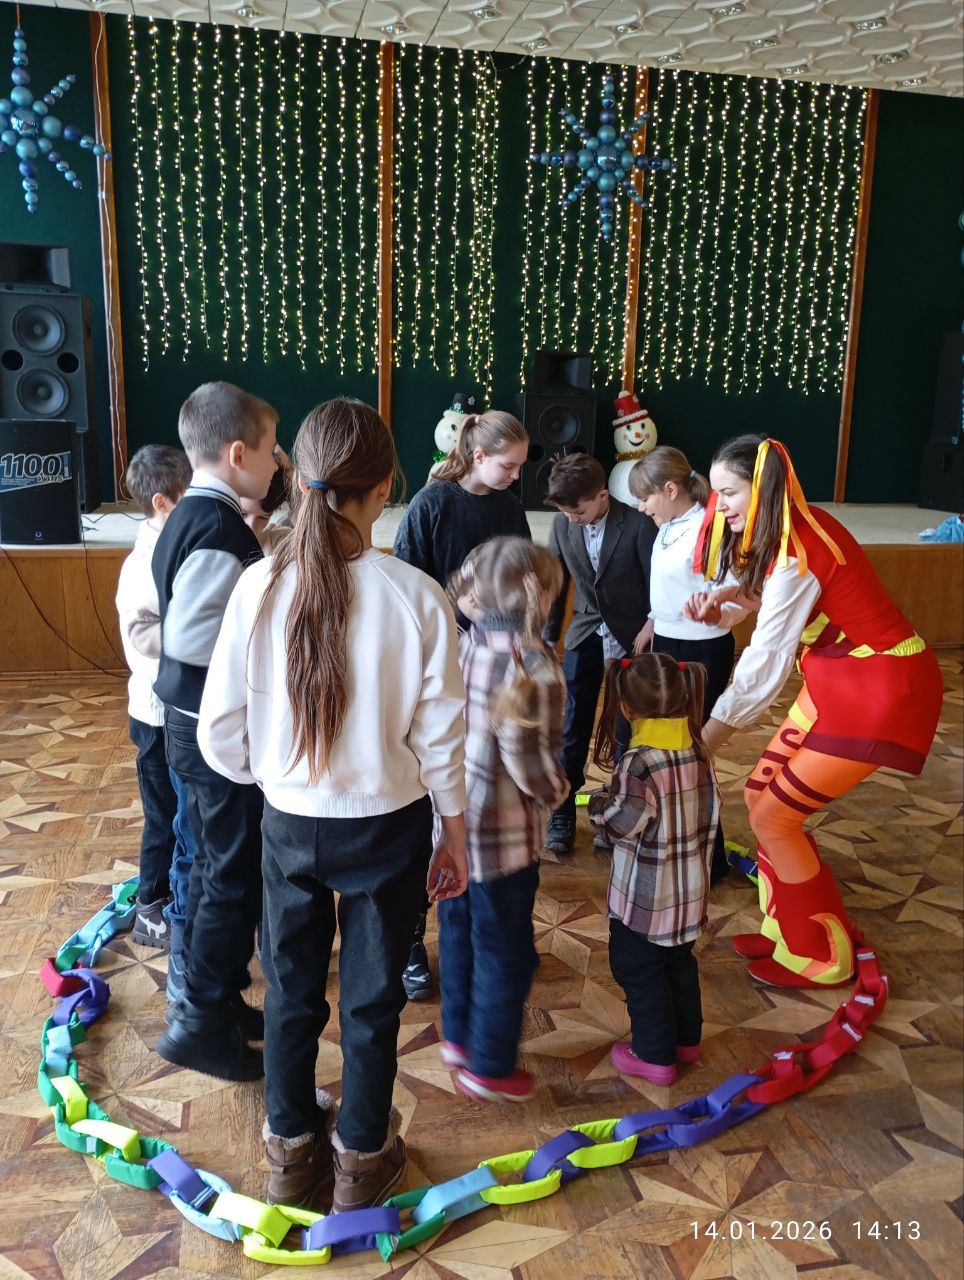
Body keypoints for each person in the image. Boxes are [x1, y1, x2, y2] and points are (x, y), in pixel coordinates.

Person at [198, 398, 468, 1213]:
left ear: (297, 477)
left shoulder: (257, 585)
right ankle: (362, 1157)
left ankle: (289, 1150)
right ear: (386, 487)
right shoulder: (417, 595)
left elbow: (219, 734)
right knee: (373, 998)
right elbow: (443, 740)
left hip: (287, 824)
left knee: (289, 990)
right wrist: (453, 832)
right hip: (389, 826)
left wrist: (276, 780)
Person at [685, 434, 943, 989]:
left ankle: (822, 955)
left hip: (880, 691)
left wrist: (704, 742)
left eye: (730, 493)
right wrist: (730, 605)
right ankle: (790, 930)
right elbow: (787, 603)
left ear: (762, 490)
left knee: (775, 816)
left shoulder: (796, 553)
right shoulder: (793, 530)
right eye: (717, 493)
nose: (719, 505)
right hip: (841, 678)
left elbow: (764, 664)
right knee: (760, 796)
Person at [152, 382, 280, 1081]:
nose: (276, 462)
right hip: (210, 732)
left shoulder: (199, 514)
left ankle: (220, 1001)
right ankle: (199, 1022)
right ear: (238, 453)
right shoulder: (216, 526)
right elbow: (192, 638)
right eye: (271, 449)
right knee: (227, 875)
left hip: (195, 725)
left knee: (216, 865)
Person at [393, 409, 531, 1000]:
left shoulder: (509, 506)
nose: (515, 476)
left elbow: (522, 577)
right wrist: (452, 627)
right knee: (425, 806)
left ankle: (481, 930)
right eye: (508, 465)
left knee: (471, 800)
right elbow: (406, 586)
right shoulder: (433, 504)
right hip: (436, 667)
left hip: (491, 670)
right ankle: (410, 943)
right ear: (477, 456)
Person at [437, 537, 568, 1103]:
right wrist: (559, 792)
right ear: (540, 596)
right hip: (504, 843)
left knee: (457, 932)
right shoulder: (535, 667)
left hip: (452, 832)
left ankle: (458, 1038)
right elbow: (528, 762)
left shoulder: (461, 647)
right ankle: (489, 1064)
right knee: (503, 947)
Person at [588, 652, 719, 1084]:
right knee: (679, 966)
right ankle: (686, 1042)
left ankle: (654, 1056)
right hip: (688, 898)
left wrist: (598, 805)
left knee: (639, 972)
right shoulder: (699, 750)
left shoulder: (640, 762)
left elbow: (621, 824)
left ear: (627, 709)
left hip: (644, 904)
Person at [629, 446, 734, 883]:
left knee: (692, 749)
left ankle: (710, 856)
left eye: (645, 498)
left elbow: (732, 588)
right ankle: (677, 838)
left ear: (670, 490)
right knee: (669, 745)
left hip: (701, 652)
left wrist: (712, 611)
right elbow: (671, 586)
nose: (641, 507)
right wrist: (654, 621)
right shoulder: (669, 524)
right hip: (669, 643)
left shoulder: (709, 528)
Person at [542, 452, 657, 855]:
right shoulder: (563, 524)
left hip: (633, 636)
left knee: (628, 727)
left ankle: (623, 811)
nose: (572, 519)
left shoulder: (638, 524)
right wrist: (548, 640)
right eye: (565, 513)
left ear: (602, 496)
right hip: (585, 633)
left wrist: (652, 622)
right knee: (573, 725)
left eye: (578, 511)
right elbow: (556, 585)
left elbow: (656, 581)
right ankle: (562, 810)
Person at [115, 445, 193, 950]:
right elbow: (145, 637)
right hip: (155, 713)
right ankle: (150, 907)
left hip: (171, 708)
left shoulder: (170, 545)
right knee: (162, 815)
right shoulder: (144, 563)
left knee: (176, 811)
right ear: (163, 503)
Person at [239, 448, 294, 554]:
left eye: (263, 517)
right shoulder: (210, 539)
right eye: (243, 513)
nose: (251, 527)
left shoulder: (278, 541)